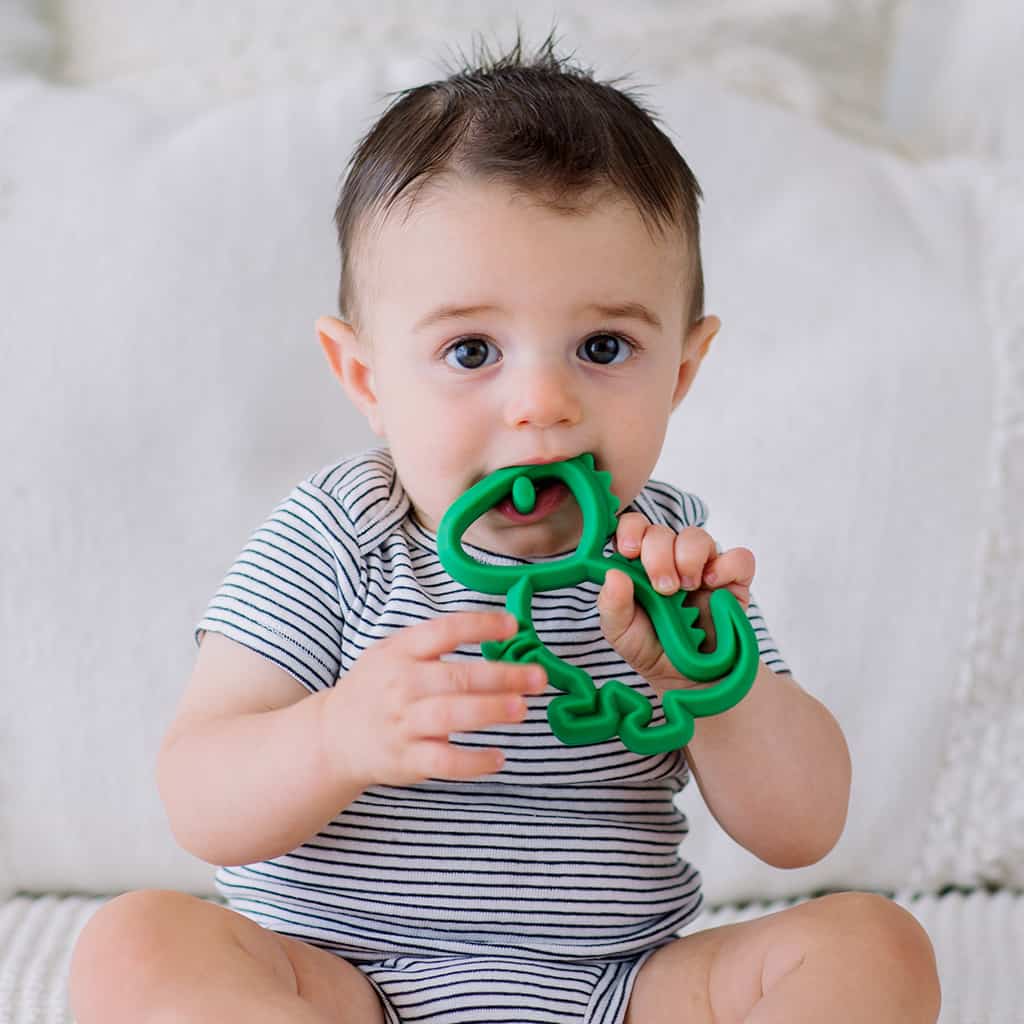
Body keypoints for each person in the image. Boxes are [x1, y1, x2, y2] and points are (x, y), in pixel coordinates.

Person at [69, 29, 941, 1024]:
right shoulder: (342, 536)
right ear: (365, 376)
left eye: (602, 346)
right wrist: (336, 736)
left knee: (874, 944)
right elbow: (196, 794)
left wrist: (711, 685)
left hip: (621, 989)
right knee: (134, 945)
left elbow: (803, 828)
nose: (541, 403)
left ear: (683, 372)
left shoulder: (661, 565)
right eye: (472, 349)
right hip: (340, 986)